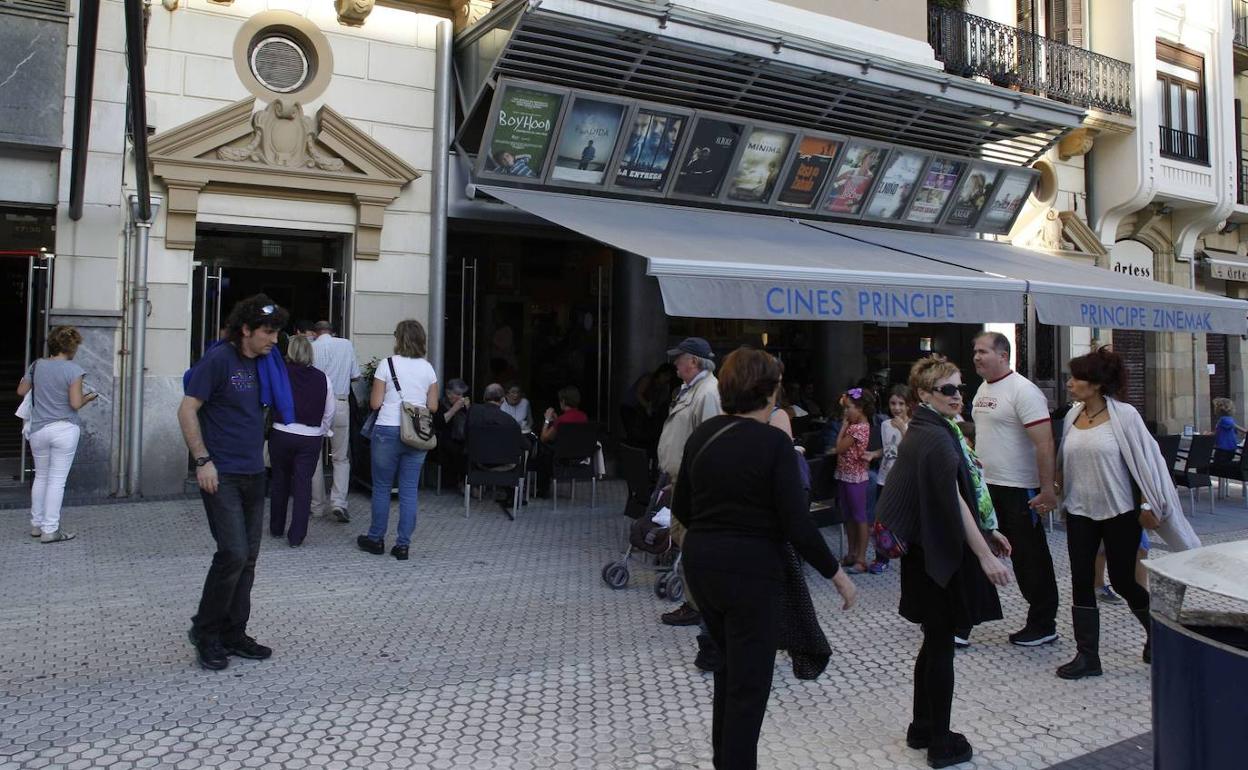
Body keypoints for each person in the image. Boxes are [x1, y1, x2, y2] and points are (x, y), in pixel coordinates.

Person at [671, 347, 857, 770]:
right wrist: (837, 574)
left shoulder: (704, 434)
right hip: (751, 573)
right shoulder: (774, 443)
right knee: (749, 686)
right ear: (769, 390)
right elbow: (797, 524)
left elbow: (682, 505)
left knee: (726, 671)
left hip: (703, 566)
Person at [876, 355, 1012, 769]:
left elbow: (958, 490)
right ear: (923, 394)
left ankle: (922, 726)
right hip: (935, 558)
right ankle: (940, 741)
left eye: (960, 387)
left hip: (928, 555)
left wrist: (988, 532)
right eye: (948, 389)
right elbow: (951, 500)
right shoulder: (933, 437)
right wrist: (984, 555)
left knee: (934, 643)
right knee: (940, 648)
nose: (958, 396)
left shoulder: (933, 428)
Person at [1055, 348, 1197, 679]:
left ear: (1096, 384)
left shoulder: (1126, 416)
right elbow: (1067, 457)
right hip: (1079, 511)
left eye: (1076, 378)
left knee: (1122, 580)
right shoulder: (1072, 416)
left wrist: (1148, 503)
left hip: (1120, 512)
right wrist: (1057, 483)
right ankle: (1087, 655)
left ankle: (1158, 635)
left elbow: (1148, 463)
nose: (1070, 383)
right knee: (1081, 580)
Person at [179, 294, 289, 671]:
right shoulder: (219, 360)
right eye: (267, 332)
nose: (274, 340)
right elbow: (187, 408)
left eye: (276, 332)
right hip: (221, 473)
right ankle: (205, 632)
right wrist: (202, 460)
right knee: (232, 554)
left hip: (254, 473)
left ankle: (234, 632)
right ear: (246, 329)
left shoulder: (265, 363)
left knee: (248, 559)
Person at [970, 331, 1061, 647]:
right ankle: (963, 618)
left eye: (983, 351)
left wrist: (1048, 490)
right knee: (977, 551)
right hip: (987, 488)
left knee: (1029, 558)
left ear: (1003, 355)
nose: (977, 357)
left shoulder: (1024, 391)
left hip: (1019, 488)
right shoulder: (981, 389)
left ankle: (1043, 623)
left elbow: (1045, 443)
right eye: (975, 351)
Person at [358, 319, 439, 561]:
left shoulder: (387, 364)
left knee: (382, 488)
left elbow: (375, 403)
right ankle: (403, 545)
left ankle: (376, 539)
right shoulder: (428, 368)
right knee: (409, 490)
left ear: (398, 339)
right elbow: (433, 406)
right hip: (417, 434)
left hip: (388, 430)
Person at [656, 337, 722, 628]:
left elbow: (708, 444)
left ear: (694, 361)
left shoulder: (708, 393)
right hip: (682, 480)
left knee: (693, 544)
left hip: (693, 483)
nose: (675, 363)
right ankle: (698, 601)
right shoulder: (692, 390)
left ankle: (699, 605)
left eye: (679, 358)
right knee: (684, 539)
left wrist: (694, 484)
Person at [18, 325, 98, 544]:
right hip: (64, 429)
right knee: (56, 481)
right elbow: (74, 403)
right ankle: (50, 529)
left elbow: (21, 391)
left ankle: (36, 525)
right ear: (72, 348)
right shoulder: (73, 370)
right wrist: (88, 398)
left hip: (38, 430)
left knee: (41, 477)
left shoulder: (37, 365)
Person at [268, 336, 334, 548]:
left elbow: (268, 401)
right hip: (310, 437)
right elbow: (329, 410)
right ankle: (297, 536)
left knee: (280, 479)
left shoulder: (280, 374)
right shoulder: (323, 378)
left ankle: (276, 527)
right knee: (303, 483)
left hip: (282, 432)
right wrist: (321, 429)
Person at [310, 321, 360, 523]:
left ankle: (317, 506)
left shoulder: (311, 347)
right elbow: (355, 376)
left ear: (315, 333)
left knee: (314, 458)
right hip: (339, 402)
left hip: (315, 405)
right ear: (333, 331)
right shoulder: (346, 344)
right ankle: (338, 503)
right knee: (341, 457)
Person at [869, 384, 911, 574]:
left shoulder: (913, 425)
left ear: (909, 405)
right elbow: (888, 449)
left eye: (901, 403)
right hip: (883, 478)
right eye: (893, 403)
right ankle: (881, 557)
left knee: (905, 519)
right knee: (881, 520)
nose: (897, 408)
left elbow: (913, 450)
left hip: (903, 481)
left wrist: (903, 429)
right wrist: (873, 454)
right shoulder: (885, 425)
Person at [835, 387, 875, 574]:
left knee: (859, 517)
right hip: (845, 475)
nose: (846, 412)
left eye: (849, 407)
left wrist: (843, 427)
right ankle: (852, 554)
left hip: (855, 478)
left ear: (860, 409)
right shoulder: (857, 426)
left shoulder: (858, 428)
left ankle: (860, 558)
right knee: (849, 516)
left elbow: (840, 447)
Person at [534, 385, 589, 496]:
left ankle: (542, 489)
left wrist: (547, 420)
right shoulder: (584, 417)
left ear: (563, 401)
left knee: (542, 447)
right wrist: (556, 421)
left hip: (561, 456)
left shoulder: (562, 420)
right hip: (579, 455)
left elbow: (544, 438)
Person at [434, 379, 472, 489]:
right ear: (448, 393)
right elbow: (439, 423)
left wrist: (468, 409)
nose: (461, 397)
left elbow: (470, 423)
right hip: (445, 439)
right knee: (458, 451)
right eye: (458, 394)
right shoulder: (440, 404)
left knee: (472, 448)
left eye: (462, 395)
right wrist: (455, 409)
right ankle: (461, 483)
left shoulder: (463, 406)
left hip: (463, 439)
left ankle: (469, 483)